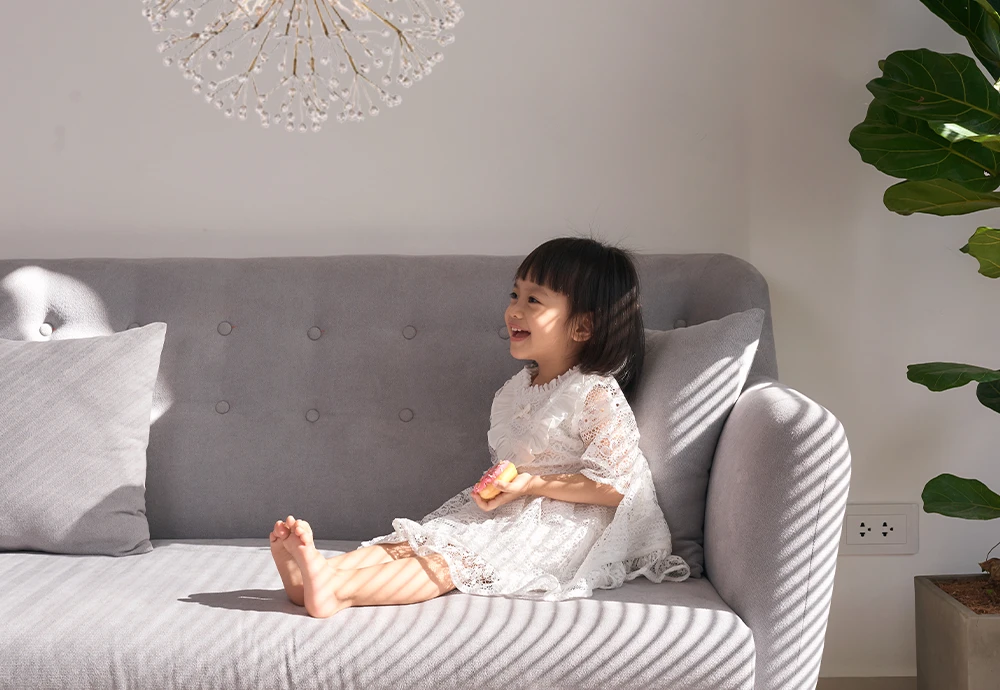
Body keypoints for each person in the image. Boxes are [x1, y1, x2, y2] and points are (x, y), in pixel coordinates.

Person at [268, 235, 690, 618]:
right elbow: (514, 465)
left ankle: (337, 590)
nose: (514, 310)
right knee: (419, 540)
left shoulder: (593, 392)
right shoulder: (516, 390)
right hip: (519, 508)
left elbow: (614, 487)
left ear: (583, 325)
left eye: (534, 301)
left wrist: (528, 486)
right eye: (515, 294)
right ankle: (314, 573)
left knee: (449, 562)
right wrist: (504, 490)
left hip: (570, 526)